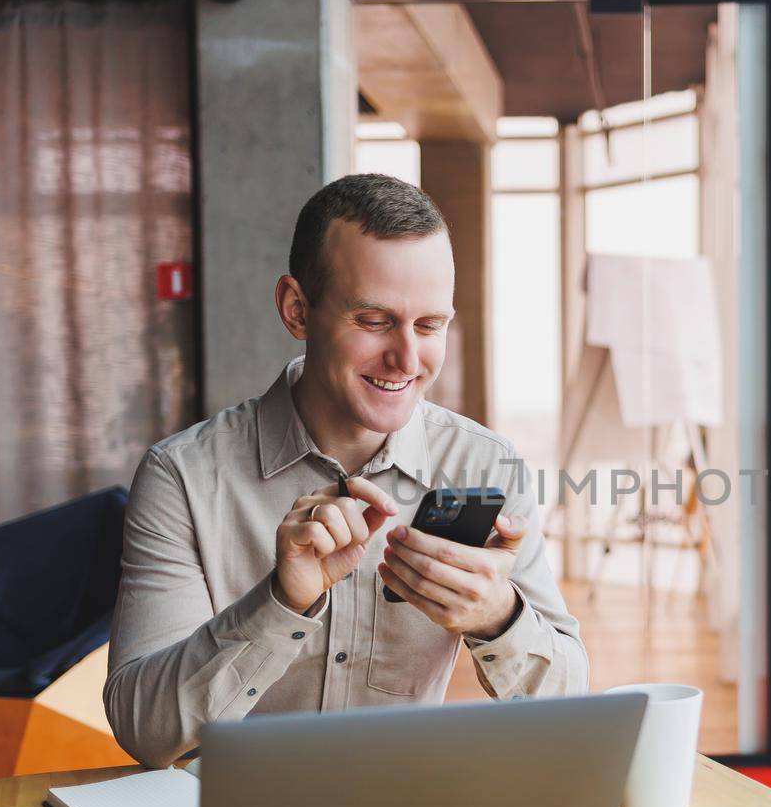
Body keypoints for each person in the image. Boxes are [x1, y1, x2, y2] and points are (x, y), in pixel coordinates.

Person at [104, 174, 588, 768]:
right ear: (297, 309)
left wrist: (497, 617)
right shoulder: (181, 477)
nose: (407, 360)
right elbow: (142, 731)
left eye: (430, 325)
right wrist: (281, 602)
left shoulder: (484, 465)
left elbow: (570, 705)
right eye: (374, 321)